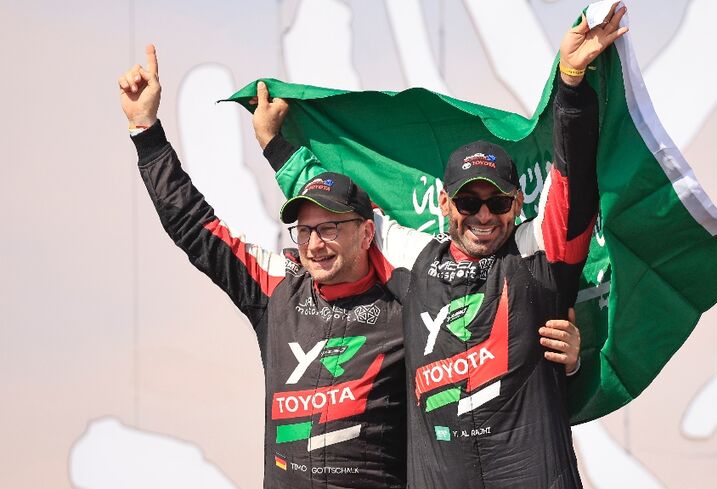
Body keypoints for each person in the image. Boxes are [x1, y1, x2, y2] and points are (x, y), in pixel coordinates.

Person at [118, 45, 583, 488]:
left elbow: (567, 211)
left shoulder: (405, 299)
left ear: (367, 234)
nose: (315, 244)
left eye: (330, 229)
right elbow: (196, 229)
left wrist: (571, 351)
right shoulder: (278, 288)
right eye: (304, 231)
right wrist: (148, 134)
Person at [255, 5, 628, 488]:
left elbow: (573, 182)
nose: (483, 215)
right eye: (469, 201)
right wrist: (275, 147)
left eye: (496, 201)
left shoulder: (536, 259)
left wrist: (572, 84)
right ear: (446, 204)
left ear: (517, 204)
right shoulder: (417, 262)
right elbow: (342, 211)